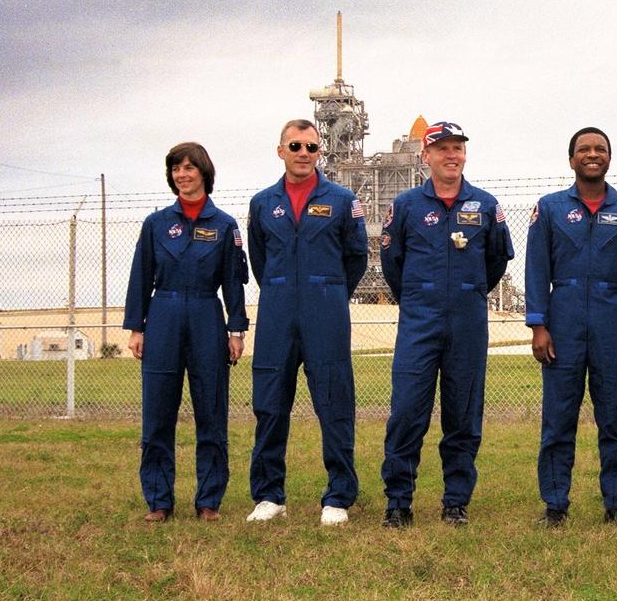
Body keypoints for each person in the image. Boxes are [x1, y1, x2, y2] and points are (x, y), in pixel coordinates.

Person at [379, 122, 514, 527]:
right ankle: (398, 502)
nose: (451, 155)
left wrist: (467, 293)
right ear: (426, 156)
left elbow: (497, 261)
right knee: (406, 413)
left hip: (468, 324)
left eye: (458, 148)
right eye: (442, 149)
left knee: (463, 414)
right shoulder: (405, 206)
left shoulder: (485, 205)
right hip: (419, 323)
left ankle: (456, 501)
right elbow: (391, 263)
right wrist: (422, 297)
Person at [525, 127, 617, 527]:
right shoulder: (549, 209)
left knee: (614, 418)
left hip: (611, 321)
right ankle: (554, 504)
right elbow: (535, 270)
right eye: (584, 149)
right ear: (571, 160)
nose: (592, 154)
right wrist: (538, 325)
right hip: (562, 320)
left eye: (600, 148)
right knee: (558, 418)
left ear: (609, 159)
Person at [245, 120, 368, 526]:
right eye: (295, 145)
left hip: (326, 313)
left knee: (334, 404)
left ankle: (338, 496)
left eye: (311, 147)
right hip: (278, 312)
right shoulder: (263, 203)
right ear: (280, 150)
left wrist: (327, 291)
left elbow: (356, 258)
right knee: (269, 404)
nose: (303, 152)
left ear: (320, 152)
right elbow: (260, 261)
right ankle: (268, 495)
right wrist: (285, 289)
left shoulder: (341, 200)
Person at [123, 142, 248, 522]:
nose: (183, 174)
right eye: (176, 168)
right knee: (158, 413)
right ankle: (159, 501)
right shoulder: (156, 224)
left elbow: (233, 282)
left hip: (206, 317)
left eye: (190, 167)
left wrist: (236, 330)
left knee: (211, 411)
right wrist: (136, 328)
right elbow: (141, 277)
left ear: (204, 172)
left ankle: (208, 500)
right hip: (163, 317)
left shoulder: (224, 225)